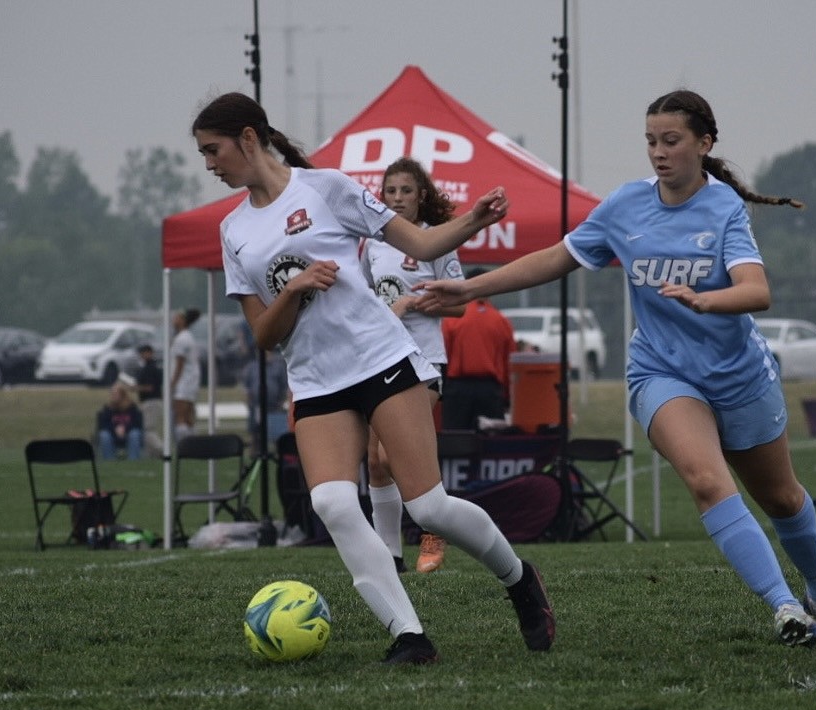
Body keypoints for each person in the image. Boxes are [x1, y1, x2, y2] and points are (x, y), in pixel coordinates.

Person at [417, 89, 816, 649]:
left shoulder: (724, 207)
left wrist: (706, 299)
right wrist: (471, 285)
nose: (659, 152)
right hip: (661, 373)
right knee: (705, 481)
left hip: (738, 374)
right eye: (651, 141)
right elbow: (556, 257)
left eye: (671, 141)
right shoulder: (625, 205)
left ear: (704, 143)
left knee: (782, 499)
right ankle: (786, 608)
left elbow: (757, 291)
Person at [191, 91, 554, 664]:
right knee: (335, 504)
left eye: (213, 150)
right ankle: (409, 635)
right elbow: (264, 336)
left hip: (381, 360)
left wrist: (473, 221)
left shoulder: (327, 188)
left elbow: (424, 242)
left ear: (249, 139)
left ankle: (519, 580)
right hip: (315, 383)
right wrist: (293, 287)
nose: (209, 164)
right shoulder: (233, 230)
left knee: (429, 508)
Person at [360, 156, 466, 575]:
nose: (398, 199)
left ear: (422, 196)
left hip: (423, 362)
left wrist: (412, 303)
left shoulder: (436, 240)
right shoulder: (371, 243)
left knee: (394, 455)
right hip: (379, 360)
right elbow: (368, 301)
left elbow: (459, 306)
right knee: (373, 460)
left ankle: (433, 533)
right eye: (391, 191)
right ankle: (389, 558)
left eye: (406, 191)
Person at [441, 267, 516, 431]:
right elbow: (509, 363)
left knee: (455, 443)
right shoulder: (501, 321)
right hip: (490, 391)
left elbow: (443, 355)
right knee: (492, 445)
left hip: (458, 390)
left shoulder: (452, 319)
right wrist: (508, 398)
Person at [243, 348, 290, 457]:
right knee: (256, 430)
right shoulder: (252, 367)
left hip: (274, 406)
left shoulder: (278, 367)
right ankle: (255, 453)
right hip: (257, 406)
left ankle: (279, 453)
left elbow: (284, 386)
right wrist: (249, 402)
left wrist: (281, 402)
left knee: (275, 430)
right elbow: (246, 387)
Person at [170, 308, 201, 443]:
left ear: (182, 320)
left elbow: (179, 364)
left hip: (184, 381)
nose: (173, 320)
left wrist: (173, 383)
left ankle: (184, 444)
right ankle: (192, 442)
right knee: (188, 416)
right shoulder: (188, 337)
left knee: (180, 415)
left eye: (176, 317)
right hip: (191, 380)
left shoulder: (181, 339)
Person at [96, 382, 144, 460]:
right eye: (112, 394)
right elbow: (103, 425)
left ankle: (133, 461)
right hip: (112, 434)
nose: (113, 396)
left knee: (135, 434)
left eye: (116, 394)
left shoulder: (132, 407)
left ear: (122, 394)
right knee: (104, 435)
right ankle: (109, 461)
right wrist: (115, 429)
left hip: (129, 433)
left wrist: (125, 428)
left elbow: (136, 423)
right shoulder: (108, 408)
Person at [134, 343, 163, 456]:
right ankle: (152, 454)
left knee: (148, 430)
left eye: (143, 353)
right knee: (149, 429)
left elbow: (150, 387)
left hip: (151, 401)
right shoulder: (149, 367)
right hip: (150, 401)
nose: (141, 355)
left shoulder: (150, 368)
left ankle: (162, 449)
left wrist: (134, 388)